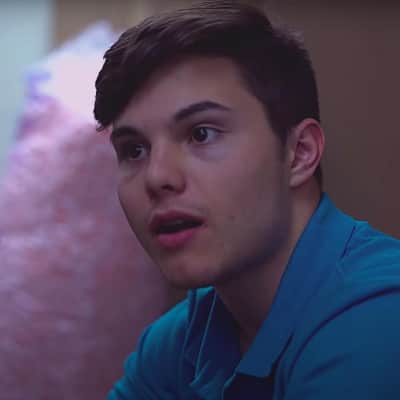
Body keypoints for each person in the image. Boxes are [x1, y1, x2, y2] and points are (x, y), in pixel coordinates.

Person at [94, 1, 400, 399]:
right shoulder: (180, 340)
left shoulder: (379, 318)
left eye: (201, 134)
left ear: (300, 153)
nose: (157, 177)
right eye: (134, 150)